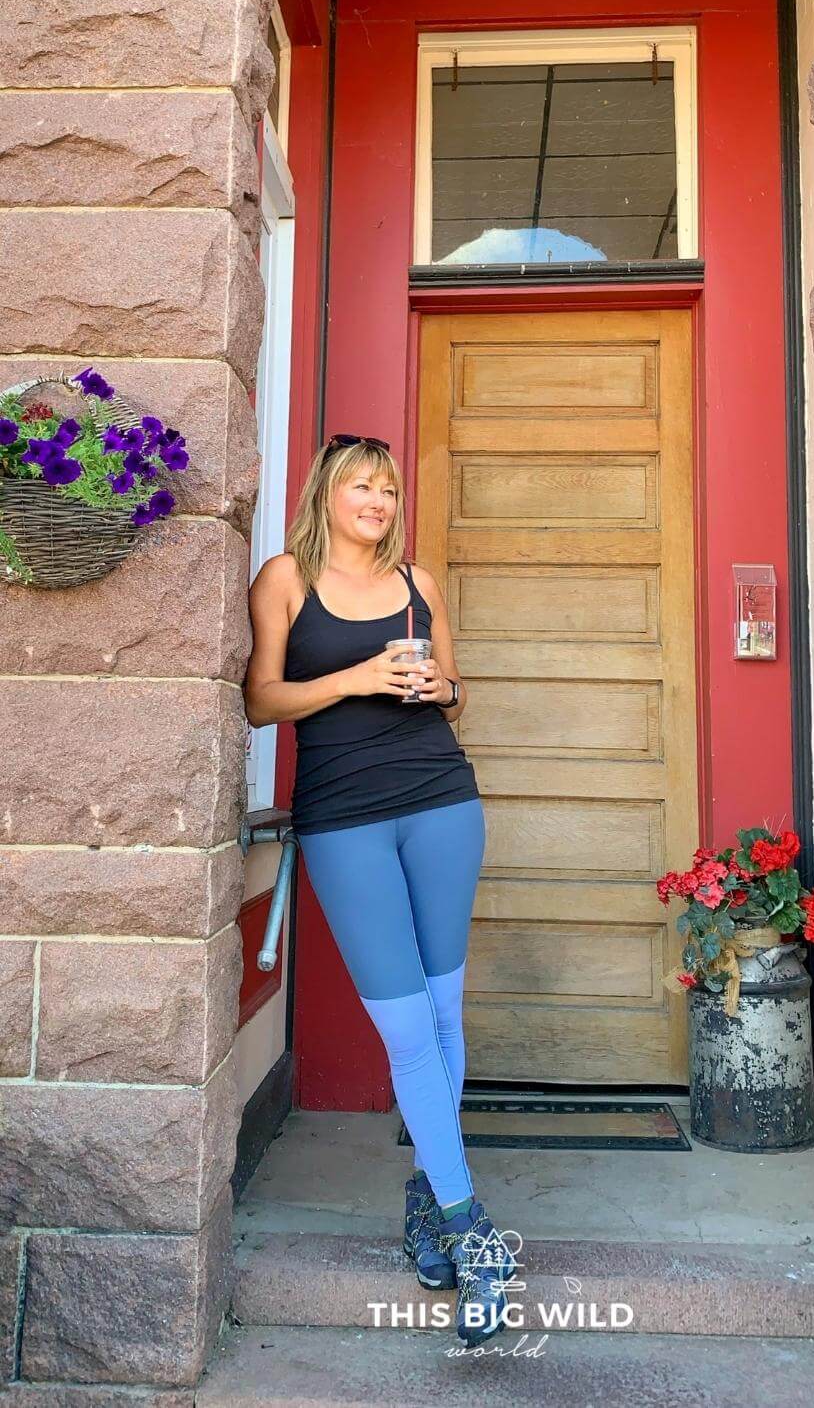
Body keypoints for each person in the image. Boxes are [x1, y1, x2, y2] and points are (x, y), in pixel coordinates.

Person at [244, 432, 515, 1347]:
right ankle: (474, 1229)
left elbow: (458, 688)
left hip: (441, 804)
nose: (379, 500)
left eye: (390, 488)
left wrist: (443, 688)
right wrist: (357, 675)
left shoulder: (421, 584)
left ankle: (431, 1201)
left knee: (444, 1017)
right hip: (344, 820)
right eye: (362, 485)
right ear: (328, 495)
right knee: (406, 1028)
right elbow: (259, 700)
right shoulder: (285, 578)